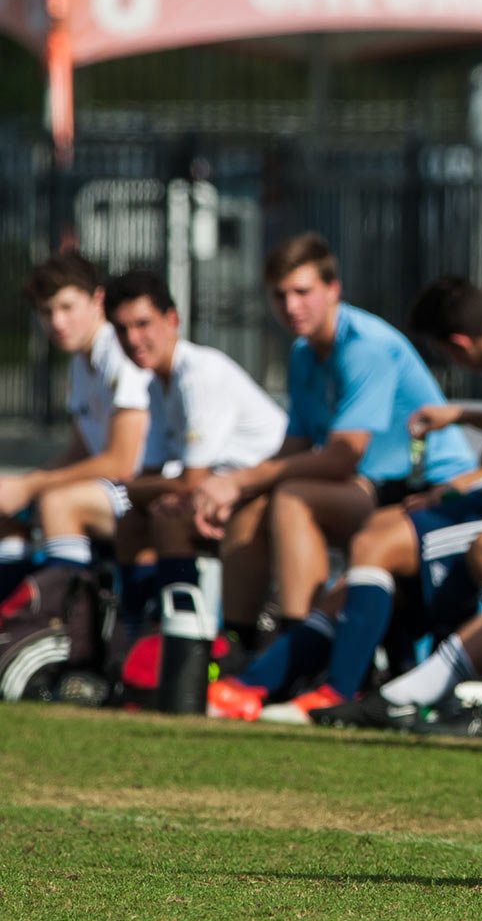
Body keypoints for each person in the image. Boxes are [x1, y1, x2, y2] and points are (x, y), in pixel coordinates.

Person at [209, 271, 482, 722]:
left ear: (458, 346)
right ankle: (261, 683)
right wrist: (464, 425)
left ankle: (338, 691)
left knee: (372, 541)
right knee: (360, 567)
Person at [191, 233, 476, 663]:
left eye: (302, 292)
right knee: (252, 503)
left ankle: (298, 653)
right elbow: (296, 447)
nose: (291, 307)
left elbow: (343, 455)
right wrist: (235, 488)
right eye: (280, 295)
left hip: (436, 493)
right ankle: (237, 648)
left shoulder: (364, 347)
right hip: (373, 489)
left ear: (333, 290)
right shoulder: (304, 352)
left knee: (292, 497)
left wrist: (239, 479)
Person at [95, 271, 287, 637]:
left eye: (143, 324)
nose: (133, 339)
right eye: (121, 329)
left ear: (173, 321)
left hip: (265, 492)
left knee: (169, 517)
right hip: (226, 494)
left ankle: (182, 640)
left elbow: (187, 481)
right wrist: (142, 491)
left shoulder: (199, 374)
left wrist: (139, 490)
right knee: (137, 518)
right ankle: (135, 635)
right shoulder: (155, 382)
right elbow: (152, 476)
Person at [0, 255, 150, 628]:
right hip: (115, 491)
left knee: (58, 502)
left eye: (67, 307)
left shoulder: (120, 350)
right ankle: (13, 627)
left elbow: (121, 462)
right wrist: (16, 488)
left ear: (97, 300)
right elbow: (79, 452)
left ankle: (67, 634)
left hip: (148, 490)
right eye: (47, 312)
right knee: (7, 510)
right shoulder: (80, 362)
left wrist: (32, 484)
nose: (58, 322)